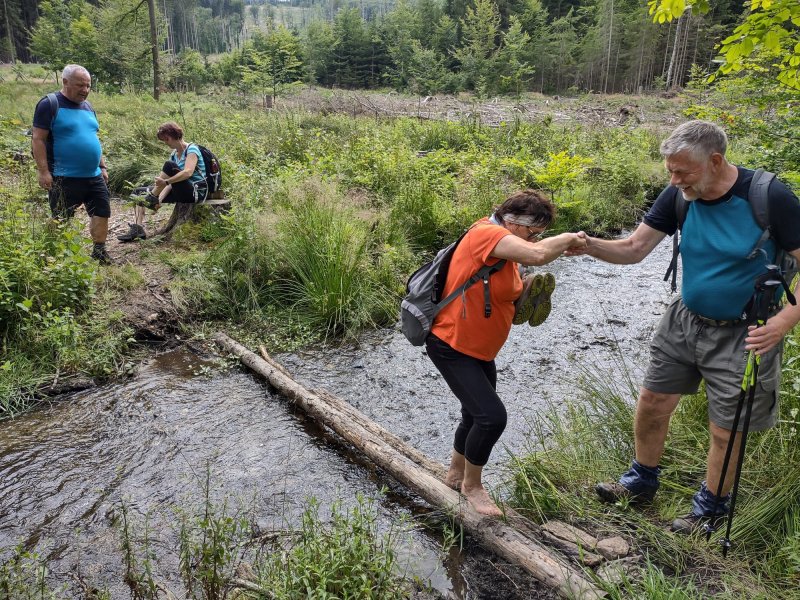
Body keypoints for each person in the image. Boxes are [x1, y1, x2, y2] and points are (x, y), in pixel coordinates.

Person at [572, 120, 800, 533]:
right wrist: (586, 245)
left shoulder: (769, 197)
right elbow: (634, 248)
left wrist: (784, 320)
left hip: (747, 330)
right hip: (685, 319)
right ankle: (641, 481)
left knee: (725, 428)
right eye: (670, 171)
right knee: (653, 402)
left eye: (683, 172)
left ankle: (709, 510)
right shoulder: (679, 196)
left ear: (715, 161)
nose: (675, 180)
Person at [427, 189, 587, 516]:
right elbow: (539, 255)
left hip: (478, 348)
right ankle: (473, 486)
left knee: (473, 414)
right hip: (451, 344)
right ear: (513, 222)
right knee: (492, 417)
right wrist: (567, 238)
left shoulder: (507, 248)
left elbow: (507, 288)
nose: (535, 238)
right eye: (533, 232)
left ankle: (455, 474)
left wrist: (523, 294)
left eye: (539, 234)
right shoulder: (487, 234)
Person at [32, 64, 112, 264]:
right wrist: (43, 171)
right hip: (63, 175)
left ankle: (99, 252)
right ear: (65, 82)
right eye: (80, 85)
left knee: (102, 211)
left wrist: (102, 166)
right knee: (60, 217)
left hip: (93, 175)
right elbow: (38, 139)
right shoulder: (49, 104)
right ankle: (52, 253)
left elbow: (92, 137)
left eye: (88, 85)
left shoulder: (88, 106)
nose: (85, 90)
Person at [117, 122, 207, 242]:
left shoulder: (192, 149)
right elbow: (170, 185)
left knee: (169, 165)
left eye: (166, 139)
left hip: (194, 192)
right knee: (137, 193)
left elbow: (187, 173)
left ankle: (152, 197)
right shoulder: (174, 154)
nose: (165, 143)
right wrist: (159, 200)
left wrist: (166, 182)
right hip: (179, 190)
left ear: (173, 136)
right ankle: (138, 228)